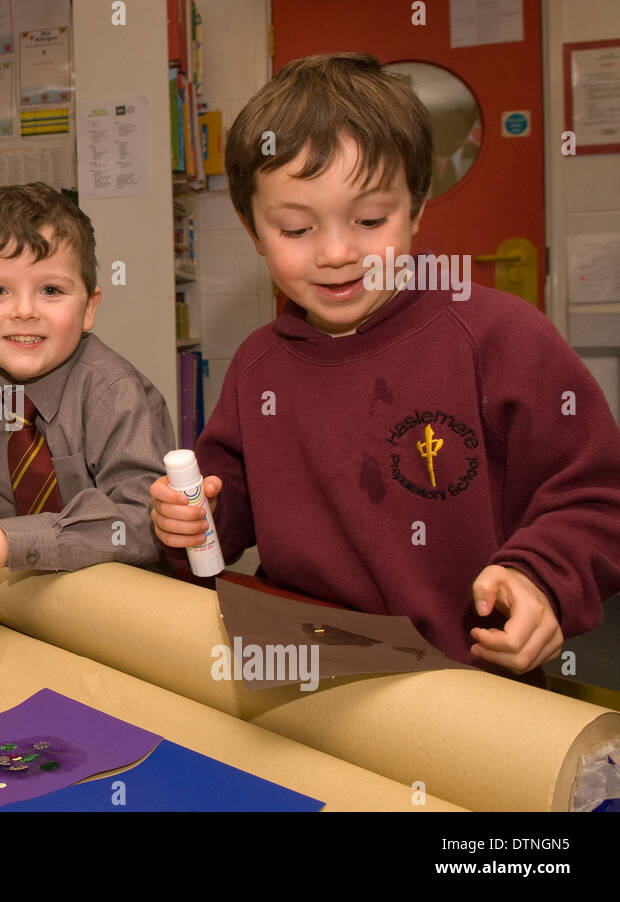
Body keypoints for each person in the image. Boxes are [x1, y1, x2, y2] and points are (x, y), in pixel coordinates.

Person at [149, 53, 620, 678]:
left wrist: (543, 579)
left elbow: (596, 498)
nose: (339, 253)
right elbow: (227, 512)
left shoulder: (503, 338)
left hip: (469, 691)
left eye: (371, 220)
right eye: (295, 229)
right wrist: (191, 521)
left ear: (417, 207)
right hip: (310, 681)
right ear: (253, 229)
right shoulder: (259, 366)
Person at [0, 183, 175, 590]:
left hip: (120, 607)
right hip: (26, 607)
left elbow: (140, 524)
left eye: (51, 290)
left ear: (89, 307)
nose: (24, 310)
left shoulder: (117, 395)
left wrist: (12, 539)